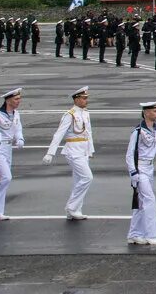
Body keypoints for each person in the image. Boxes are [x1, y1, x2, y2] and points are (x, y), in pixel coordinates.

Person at [43, 86, 95, 220]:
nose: (86, 100)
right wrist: (50, 153)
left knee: (78, 180)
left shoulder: (85, 113)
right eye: (83, 98)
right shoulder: (70, 115)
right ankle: (71, 207)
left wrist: (90, 150)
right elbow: (59, 134)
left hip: (83, 150)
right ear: (76, 99)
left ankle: (76, 209)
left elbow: (89, 133)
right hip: (73, 150)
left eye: (86, 98)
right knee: (87, 178)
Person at [125, 99, 156, 246]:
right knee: (149, 200)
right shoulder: (138, 131)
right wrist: (133, 172)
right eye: (154, 111)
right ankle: (151, 235)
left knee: (141, 203)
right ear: (146, 113)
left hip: (149, 168)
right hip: (140, 168)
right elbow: (130, 154)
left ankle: (134, 234)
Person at [0, 88, 24, 221]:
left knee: (2, 181)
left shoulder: (16, 114)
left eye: (19, 99)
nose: (18, 101)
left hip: (9, 148)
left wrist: (20, 138)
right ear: (8, 100)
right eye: (16, 99)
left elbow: (18, 128)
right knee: (5, 178)